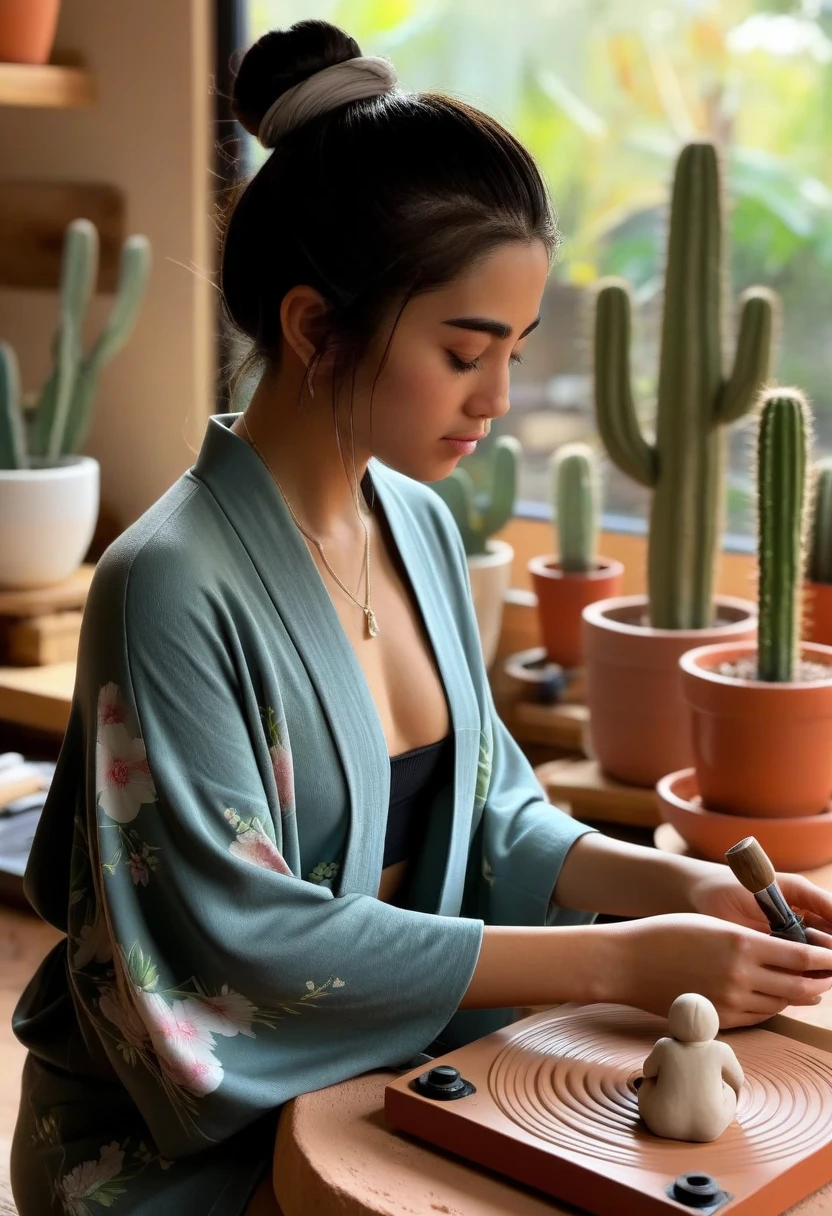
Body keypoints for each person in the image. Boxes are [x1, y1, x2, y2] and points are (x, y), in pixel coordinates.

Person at [10, 20, 832, 1216]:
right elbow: (239, 939)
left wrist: (677, 890)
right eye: (464, 351)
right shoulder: (167, 583)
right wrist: (617, 956)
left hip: (397, 1069)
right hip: (179, 1149)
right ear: (310, 326)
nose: (497, 399)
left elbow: (492, 811)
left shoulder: (423, 525)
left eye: (516, 352)